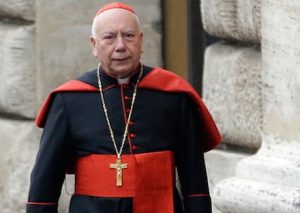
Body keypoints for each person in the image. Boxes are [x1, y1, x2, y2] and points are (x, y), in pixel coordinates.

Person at [27, 2, 221, 213]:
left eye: (128, 35)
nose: (120, 46)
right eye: (109, 37)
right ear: (94, 45)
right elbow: (45, 183)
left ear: (141, 40)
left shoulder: (173, 95)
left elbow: (195, 182)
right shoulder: (68, 99)